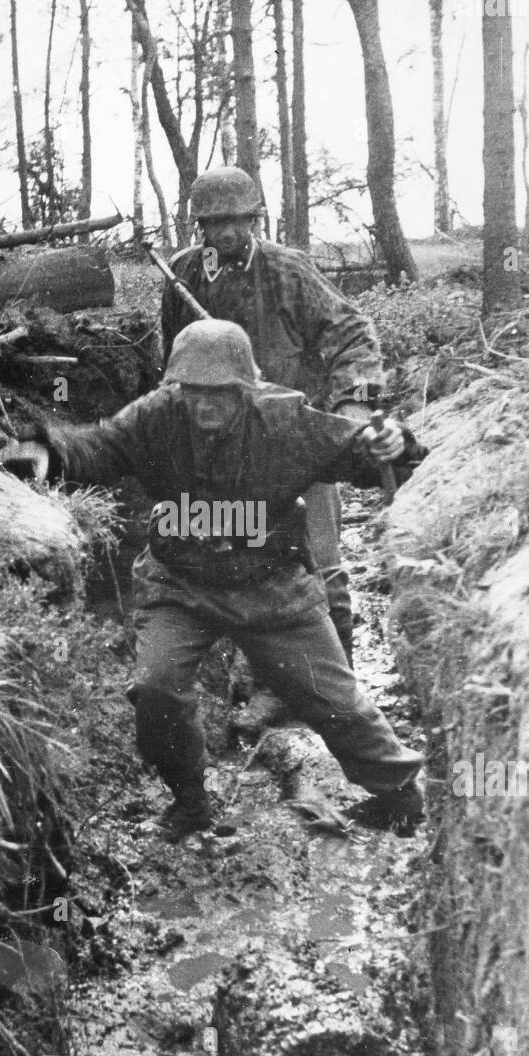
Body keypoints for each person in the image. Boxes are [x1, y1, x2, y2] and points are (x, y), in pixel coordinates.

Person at [0, 319, 428, 841]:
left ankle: (400, 797)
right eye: (193, 393)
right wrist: (48, 449)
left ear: (246, 389)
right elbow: (99, 446)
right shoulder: (156, 416)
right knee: (157, 690)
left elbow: (356, 451)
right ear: (176, 387)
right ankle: (190, 803)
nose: (204, 406)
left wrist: (393, 444)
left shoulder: (284, 418)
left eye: (219, 395)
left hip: (271, 581)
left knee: (336, 701)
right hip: (179, 581)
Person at [160, 165, 387, 677]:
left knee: (320, 567)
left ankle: (338, 694)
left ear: (257, 219)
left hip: (295, 440)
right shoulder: (184, 275)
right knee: (243, 568)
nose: (228, 234)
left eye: (240, 222)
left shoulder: (289, 270)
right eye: (216, 224)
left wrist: (355, 403)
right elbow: (171, 366)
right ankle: (267, 687)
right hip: (223, 450)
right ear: (200, 227)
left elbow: (352, 332)